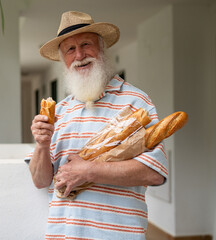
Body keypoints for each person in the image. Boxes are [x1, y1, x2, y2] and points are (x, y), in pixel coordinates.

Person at [26, 11, 168, 240]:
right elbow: (40, 180)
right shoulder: (59, 111)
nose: (80, 54)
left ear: (102, 48)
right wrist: (42, 145)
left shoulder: (135, 102)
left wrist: (88, 170)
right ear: (63, 59)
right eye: (70, 49)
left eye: (86, 44)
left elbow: (154, 173)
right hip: (62, 235)